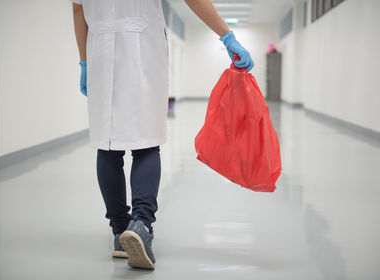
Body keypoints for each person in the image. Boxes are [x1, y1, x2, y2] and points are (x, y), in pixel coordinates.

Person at [71, 0, 254, 270]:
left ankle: (120, 232)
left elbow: (78, 9)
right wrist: (226, 36)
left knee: (107, 145)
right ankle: (141, 224)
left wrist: (84, 61)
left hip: (99, 48)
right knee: (146, 143)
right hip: (142, 49)